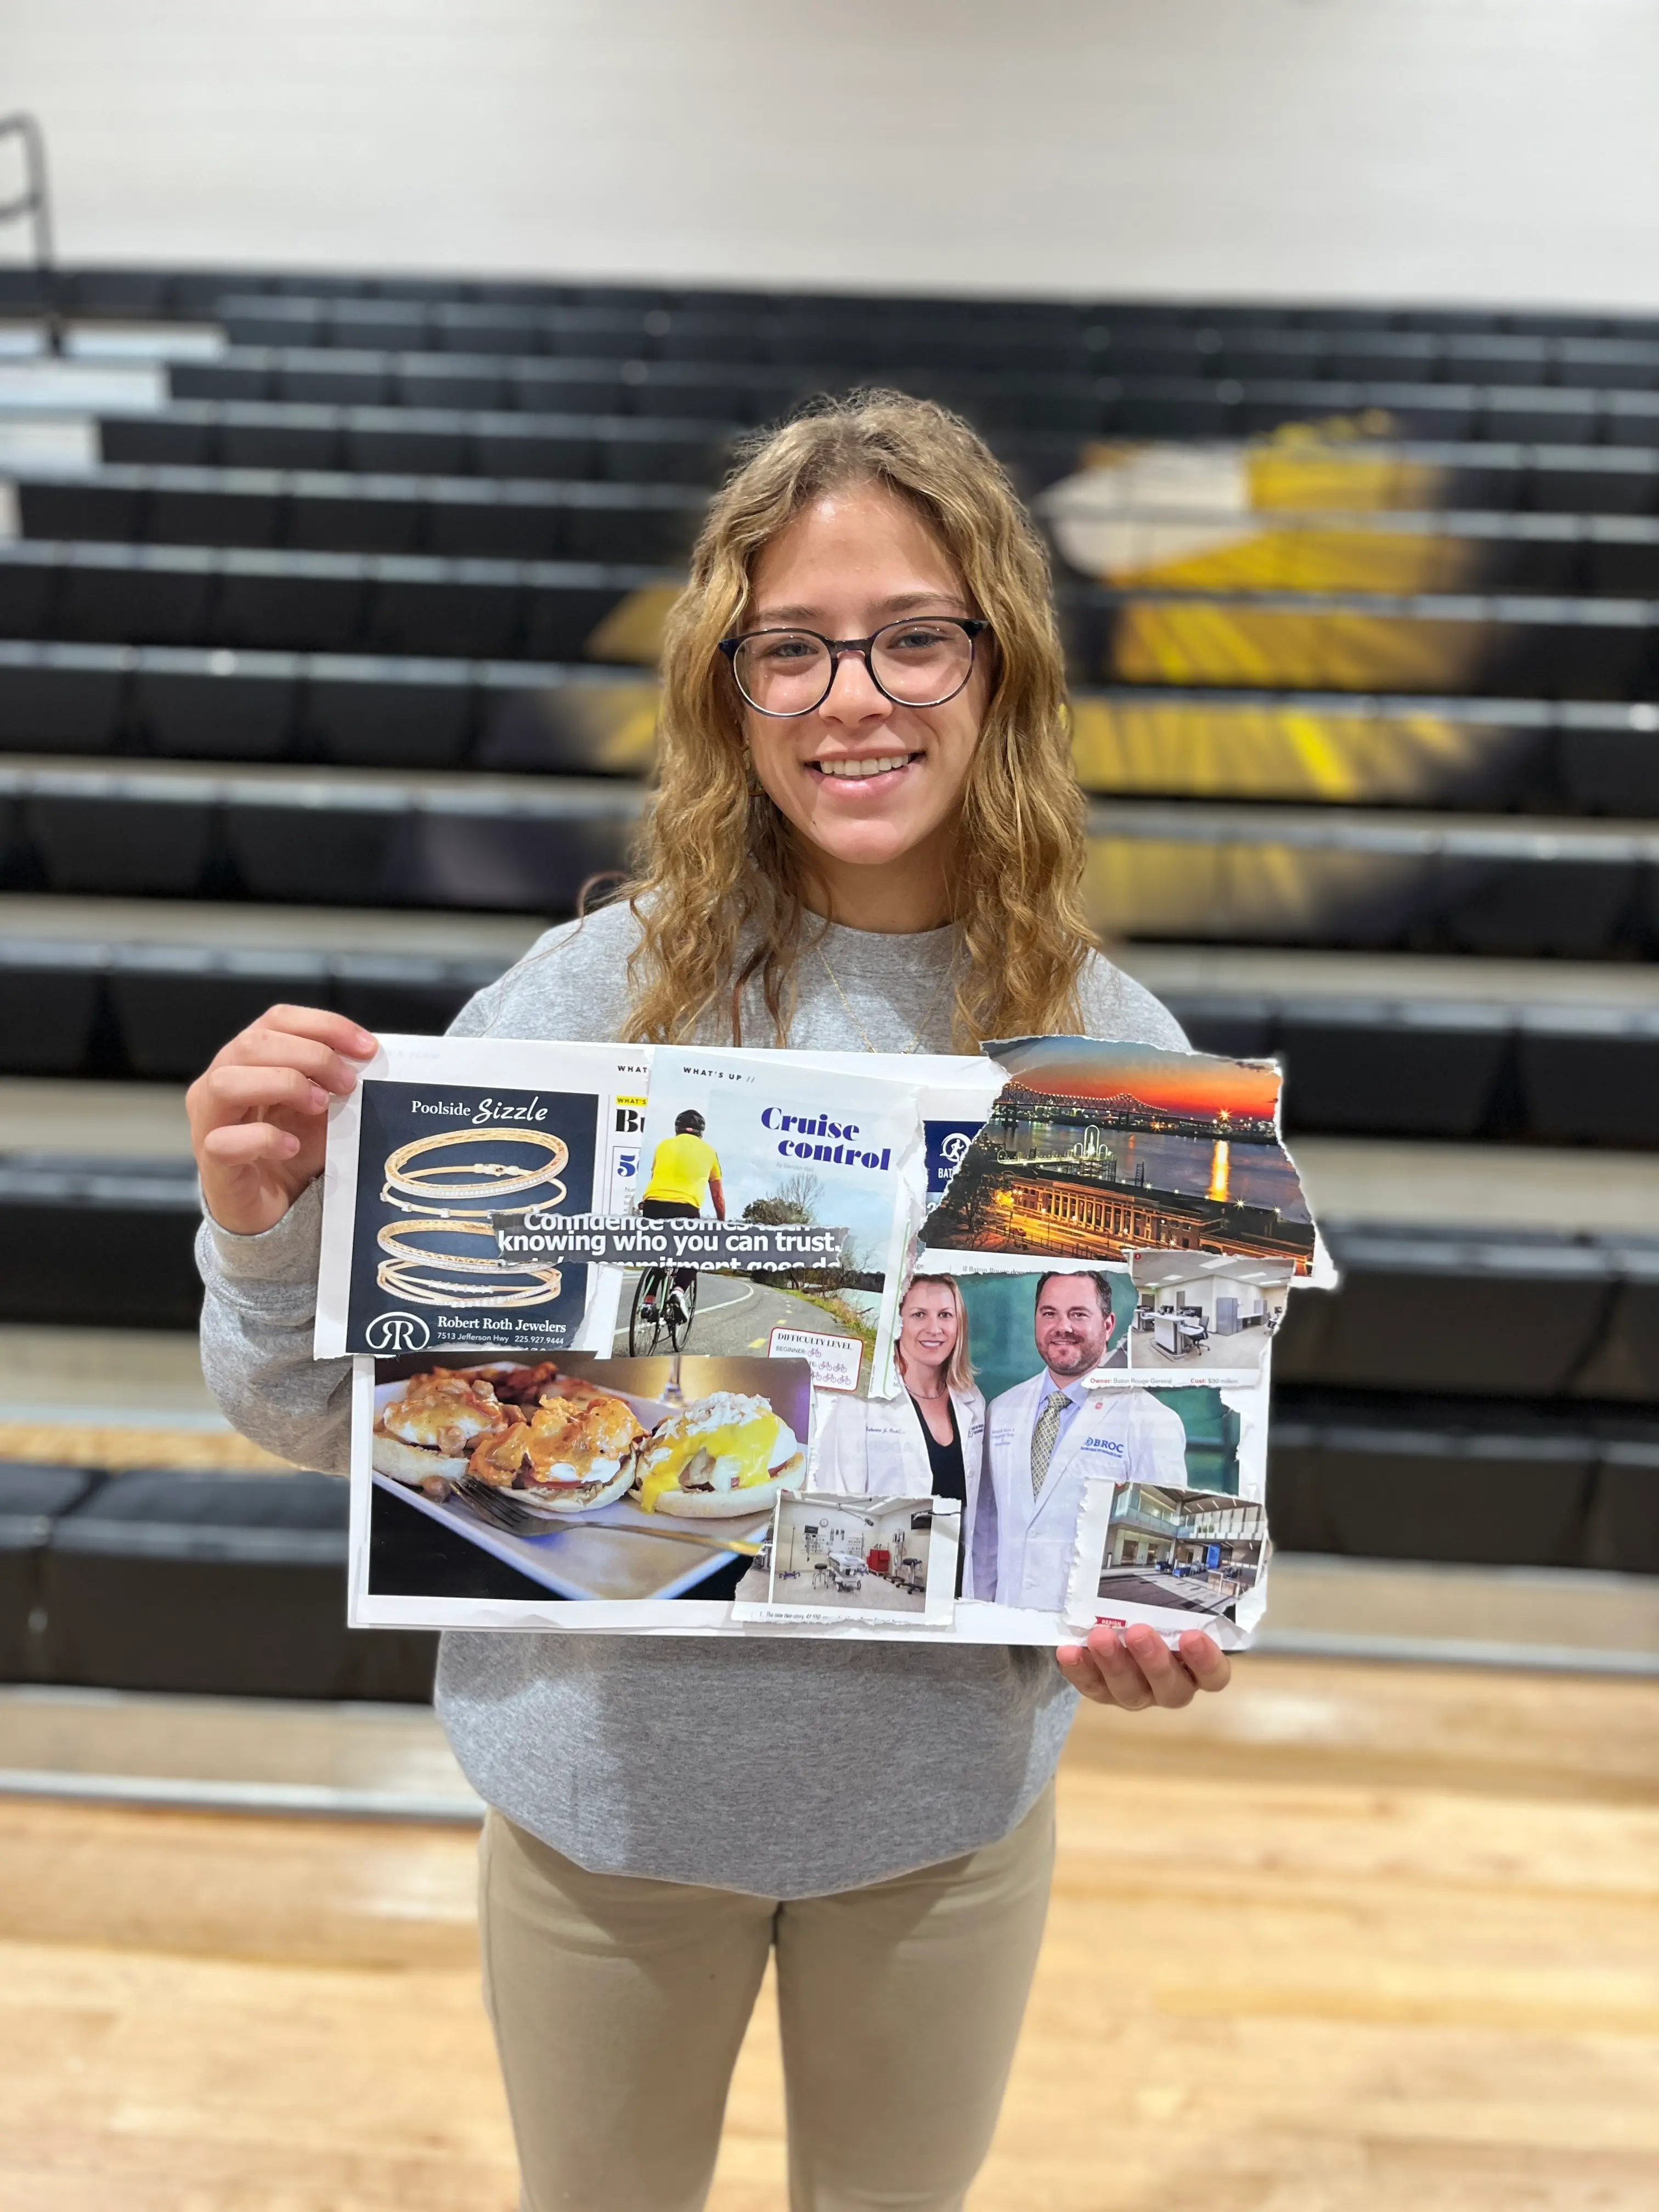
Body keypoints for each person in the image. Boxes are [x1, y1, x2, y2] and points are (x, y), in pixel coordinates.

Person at [186, 391, 1233, 2212]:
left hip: (936, 1828)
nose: (855, 697)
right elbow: (303, 1417)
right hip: (605, 1811)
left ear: (999, 666)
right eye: (793, 651)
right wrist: (262, 1226)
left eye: (913, 636)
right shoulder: (579, 1002)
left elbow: (1130, 1512)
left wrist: (1138, 1620)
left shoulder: (1113, 1062)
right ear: (723, 686)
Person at [981, 1272, 1190, 1613]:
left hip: (1092, 1640)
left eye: (1078, 1314)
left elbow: (1164, 1550)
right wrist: (981, 1612)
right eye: (1049, 1313)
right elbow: (988, 1528)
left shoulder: (1154, 1422)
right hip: (1005, 1621)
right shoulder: (1002, 1410)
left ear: (1108, 1325)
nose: (1062, 1326)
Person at [811, 1273, 986, 1594]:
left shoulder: (971, 1400)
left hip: (961, 1584)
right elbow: (836, 1490)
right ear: (898, 1321)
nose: (935, 1329)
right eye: (920, 1315)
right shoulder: (861, 1401)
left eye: (945, 1315)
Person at [638, 1105, 725, 1317]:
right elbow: (718, 1196)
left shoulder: (662, 1146)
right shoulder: (710, 1152)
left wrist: (647, 1202)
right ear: (701, 1133)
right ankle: (678, 1291)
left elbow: (656, 1178)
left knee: (657, 1256)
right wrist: (722, 1222)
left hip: (653, 1204)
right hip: (686, 1208)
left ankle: (648, 1302)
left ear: (677, 1129)